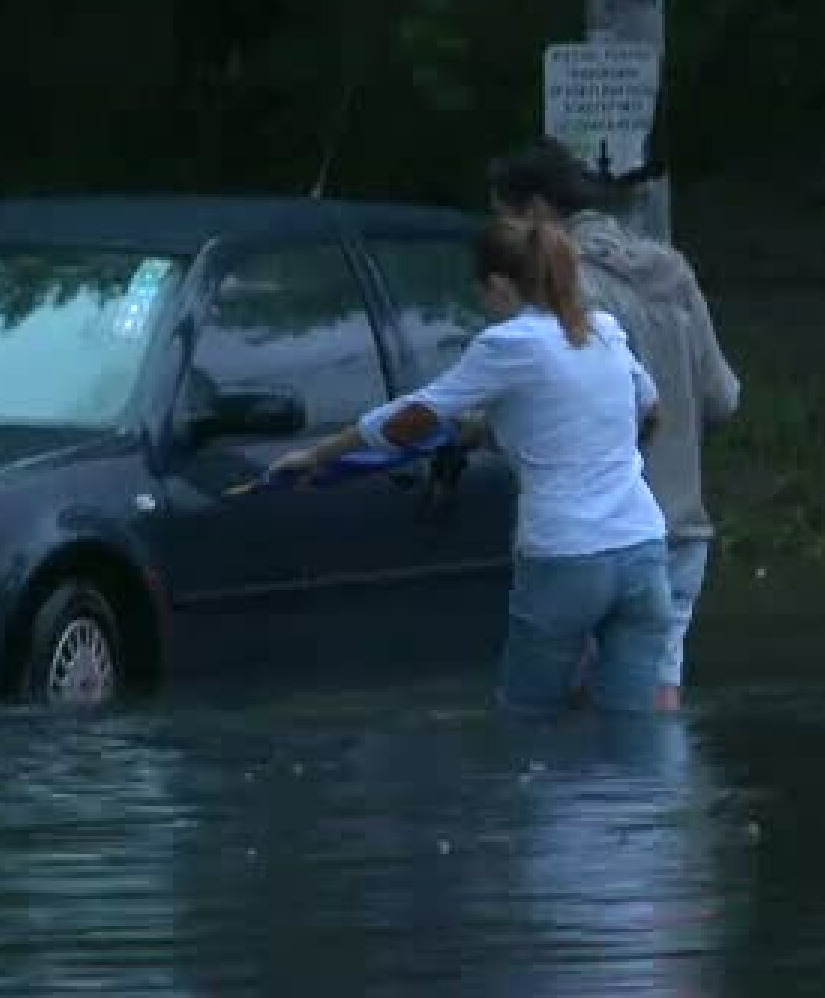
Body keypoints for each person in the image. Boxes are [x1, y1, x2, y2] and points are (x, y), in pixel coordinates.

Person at [265, 215, 674, 716]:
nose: (483, 303)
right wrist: (507, 435)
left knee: (530, 715)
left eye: (482, 292)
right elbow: (649, 414)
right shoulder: (603, 332)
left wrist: (318, 454)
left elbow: (414, 417)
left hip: (566, 554)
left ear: (499, 285)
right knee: (632, 721)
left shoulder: (511, 342)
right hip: (643, 549)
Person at [487, 138, 740, 711]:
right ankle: (658, 772)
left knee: (570, 704)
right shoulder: (671, 269)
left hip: (595, 534)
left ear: (536, 210)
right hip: (682, 527)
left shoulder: (558, 288)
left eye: (503, 218)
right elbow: (722, 399)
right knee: (656, 693)